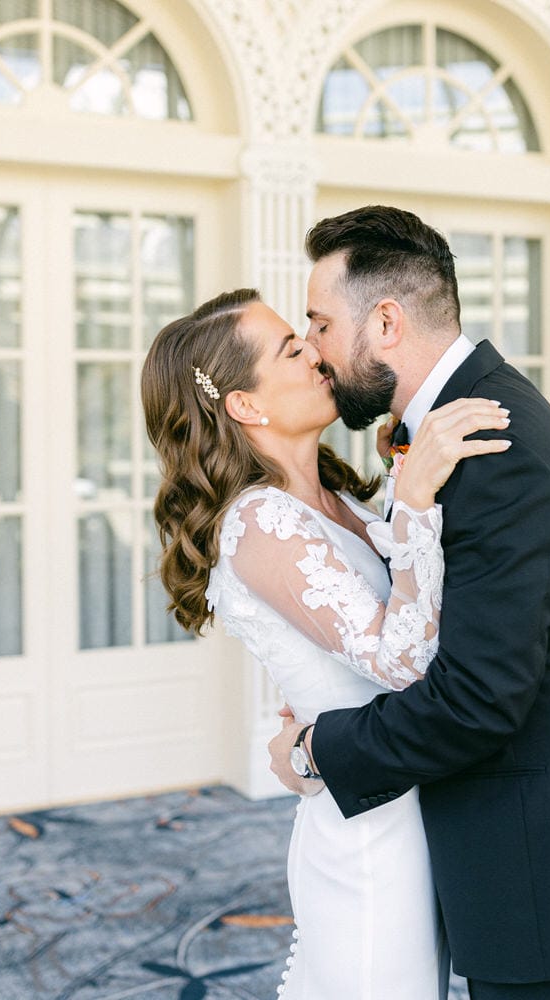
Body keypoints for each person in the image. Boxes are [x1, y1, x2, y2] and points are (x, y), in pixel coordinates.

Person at [267, 205, 550, 999]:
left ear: (386, 322)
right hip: (546, 864)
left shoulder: (496, 457)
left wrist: (319, 748)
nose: (317, 350)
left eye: (321, 324)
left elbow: (475, 702)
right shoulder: (456, 430)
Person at [141, 286, 511, 998]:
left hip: (406, 801)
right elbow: (402, 662)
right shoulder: (260, 522)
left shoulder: (336, 498)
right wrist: (420, 501)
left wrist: (402, 493)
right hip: (372, 843)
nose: (316, 352)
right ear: (245, 405)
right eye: (291, 348)